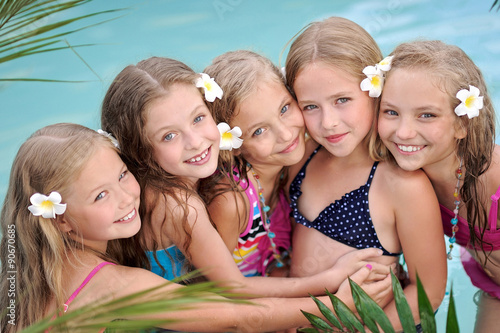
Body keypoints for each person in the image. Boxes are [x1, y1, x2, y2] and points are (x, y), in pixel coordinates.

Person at [0, 123, 391, 333]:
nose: (125, 198)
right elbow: (242, 319)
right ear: (62, 219)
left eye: (122, 175)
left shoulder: (21, 269)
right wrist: (339, 304)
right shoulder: (114, 285)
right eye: (100, 196)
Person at [100, 56, 393, 299]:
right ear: (233, 136)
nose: (195, 142)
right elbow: (223, 290)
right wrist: (328, 283)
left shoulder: (285, 162)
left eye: (198, 118)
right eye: (169, 136)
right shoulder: (211, 202)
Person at [283, 16, 447, 330]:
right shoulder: (303, 155)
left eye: (342, 100)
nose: (328, 122)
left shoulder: (400, 184)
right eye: (310, 106)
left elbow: (429, 294)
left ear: (374, 90)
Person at [375, 39, 500, 333]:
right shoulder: (408, 184)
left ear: (463, 124)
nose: (404, 132)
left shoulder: (494, 178)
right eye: (391, 112)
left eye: (427, 115)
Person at [201, 49, 304, 277]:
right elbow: (216, 287)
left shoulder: (292, 164)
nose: (286, 134)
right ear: (234, 144)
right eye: (259, 131)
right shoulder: (232, 201)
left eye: (284, 109)